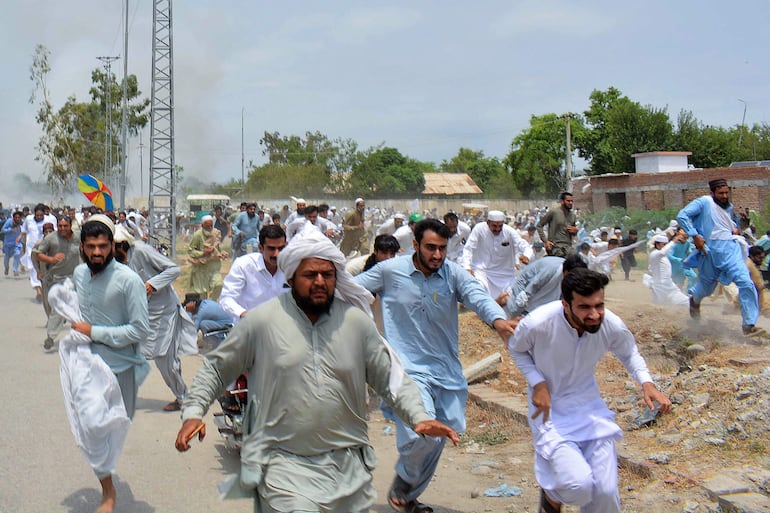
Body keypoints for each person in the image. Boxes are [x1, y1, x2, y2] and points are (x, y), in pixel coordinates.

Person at [175, 229, 458, 512]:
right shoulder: (262, 322)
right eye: (310, 275)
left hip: (347, 467)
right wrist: (193, 412)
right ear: (291, 277)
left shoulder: (356, 324)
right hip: (281, 463)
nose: (320, 282)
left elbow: (392, 378)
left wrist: (418, 416)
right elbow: (216, 369)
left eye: (328, 274)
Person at [355, 218, 518, 512]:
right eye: (431, 248)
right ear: (415, 245)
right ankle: (406, 484)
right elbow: (350, 290)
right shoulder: (390, 271)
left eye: (443, 248)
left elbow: (477, 296)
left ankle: (406, 492)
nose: (438, 255)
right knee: (425, 428)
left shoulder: (452, 274)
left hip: (447, 371)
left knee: (443, 433)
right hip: (408, 370)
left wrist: (498, 320)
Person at [508, 268, 672, 513]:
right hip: (549, 411)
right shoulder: (538, 322)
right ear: (565, 304)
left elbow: (630, 353)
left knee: (605, 494)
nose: (595, 315)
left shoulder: (611, 324)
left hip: (590, 410)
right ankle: (552, 493)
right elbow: (516, 349)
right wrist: (538, 383)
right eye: (585, 307)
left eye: (599, 305)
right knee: (578, 485)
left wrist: (647, 383)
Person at [69, 214, 151, 513]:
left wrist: (96, 332)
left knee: (109, 435)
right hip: (85, 367)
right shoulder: (79, 274)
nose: (97, 253)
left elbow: (140, 330)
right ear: (82, 246)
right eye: (91, 246)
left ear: (112, 246)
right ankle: (108, 491)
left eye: (103, 246)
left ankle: (107, 480)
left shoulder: (128, 281)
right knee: (91, 431)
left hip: (120, 370)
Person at [114, 225, 196, 411]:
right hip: (140, 314)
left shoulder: (142, 251)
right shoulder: (113, 262)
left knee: (165, 361)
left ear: (120, 244)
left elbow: (173, 269)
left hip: (163, 312)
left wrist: (153, 284)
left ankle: (184, 398)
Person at [677, 178, 764, 337]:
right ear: (712, 193)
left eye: (726, 192)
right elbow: (682, 216)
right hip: (709, 251)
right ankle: (694, 300)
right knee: (707, 287)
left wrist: (735, 229)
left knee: (745, 282)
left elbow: (726, 225)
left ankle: (749, 325)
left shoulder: (729, 207)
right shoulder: (704, 202)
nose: (724, 196)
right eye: (721, 193)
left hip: (730, 250)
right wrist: (694, 235)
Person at [219, 224, 288, 320]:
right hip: (249, 328)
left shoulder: (291, 268)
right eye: (271, 249)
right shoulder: (244, 265)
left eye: (281, 248)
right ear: (260, 248)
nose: (277, 254)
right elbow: (227, 299)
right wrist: (244, 315)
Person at [32, 216, 81, 350]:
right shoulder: (51, 239)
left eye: (65, 226)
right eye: (60, 226)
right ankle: (51, 336)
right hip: (56, 278)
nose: (62, 228)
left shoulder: (79, 237)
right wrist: (52, 259)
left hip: (75, 277)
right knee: (57, 307)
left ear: (70, 225)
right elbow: (38, 254)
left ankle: (83, 336)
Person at [461, 210, 533, 298]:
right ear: (488, 223)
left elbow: (524, 245)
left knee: (508, 303)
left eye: (500, 226)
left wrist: (527, 256)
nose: (497, 229)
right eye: (494, 226)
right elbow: (468, 248)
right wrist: (467, 267)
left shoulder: (509, 231)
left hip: (505, 276)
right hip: (483, 273)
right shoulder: (479, 229)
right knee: (478, 293)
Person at [497, 254, 587, 318]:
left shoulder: (569, 273)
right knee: (515, 309)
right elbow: (534, 284)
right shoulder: (552, 269)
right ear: (567, 271)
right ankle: (506, 298)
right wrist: (524, 298)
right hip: (526, 282)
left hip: (544, 289)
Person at [643, 233, 690, 307]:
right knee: (657, 306)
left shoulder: (663, 257)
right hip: (660, 286)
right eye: (663, 244)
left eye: (665, 244)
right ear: (657, 244)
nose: (665, 246)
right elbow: (663, 252)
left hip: (668, 285)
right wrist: (674, 241)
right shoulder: (654, 254)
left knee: (686, 302)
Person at [187, 215, 227, 300]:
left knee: (219, 285)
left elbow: (218, 249)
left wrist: (222, 253)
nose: (209, 227)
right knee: (202, 296)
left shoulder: (216, 233)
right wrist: (202, 253)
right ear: (202, 225)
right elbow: (190, 251)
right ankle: (205, 307)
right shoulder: (198, 235)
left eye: (211, 225)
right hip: (201, 269)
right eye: (207, 226)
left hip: (214, 268)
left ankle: (211, 304)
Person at [20, 203, 48, 302]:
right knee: (33, 269)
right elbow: (24, 229)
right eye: (37, 215)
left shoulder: (49, 220)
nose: (39, 217)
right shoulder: (28, 219)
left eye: (41, 215)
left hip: (44, 249)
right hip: (31, 249)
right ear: (34, 214)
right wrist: (20, 236)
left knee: (44, 269)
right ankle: (38, 291)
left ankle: (44, 289)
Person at [536, 192, 578, 257]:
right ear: (562, 201)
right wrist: (545, 241)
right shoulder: (554, 212)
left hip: (567, 247)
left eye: (572, 201)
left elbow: (573, 232)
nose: (570, 203)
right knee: (560, 257)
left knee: (577, 258)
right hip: (555, 246)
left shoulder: (573, 216)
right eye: (568, 201)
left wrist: (575, 231)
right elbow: (539, 225)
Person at [2, 211, 23, 277]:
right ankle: (6, 268)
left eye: (18, 217)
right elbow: (3, 230)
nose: (17, 219)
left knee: (17, 254)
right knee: (7, 258)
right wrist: (10, 230)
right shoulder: (9, 221)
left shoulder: (21, 223)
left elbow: (23, 231)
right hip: (8, 243)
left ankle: (15, 270)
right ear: (13, 217)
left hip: (17, 243)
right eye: (16, 217)